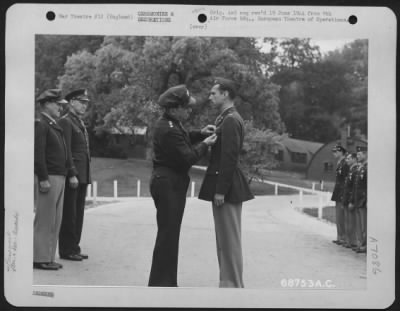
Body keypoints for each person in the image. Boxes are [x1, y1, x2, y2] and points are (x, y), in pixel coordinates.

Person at [148, 84, 217, 287]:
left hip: (170, 182)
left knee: (170, 234)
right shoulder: (168, 129)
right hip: (168, 184)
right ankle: (161, 284)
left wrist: (200, 134)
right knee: (168, 235)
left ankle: (165, 281)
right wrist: (206, 144)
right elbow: (188, 157)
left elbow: (184, 137)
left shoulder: (172, 124)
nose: (189, 110)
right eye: (185, 107)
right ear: (173, 108)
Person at [198, 78, 254, 288]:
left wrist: (220, 190)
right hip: (225, 187)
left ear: (226, 94)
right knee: (224, 239)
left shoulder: (230, 119)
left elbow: (229, 157)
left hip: (227, 189)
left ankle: (232, 284)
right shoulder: (226, 119)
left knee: (229, 240)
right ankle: (228, 281)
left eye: (214, 93)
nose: (210, 96)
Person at [34, 89, 69, 270]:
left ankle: (48, 256)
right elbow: (38, 154)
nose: (60, 108)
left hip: (59, 176)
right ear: (46, 104)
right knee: (46, 219)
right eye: (57, 104)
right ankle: (39, 258)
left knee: (55, 219)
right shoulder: (41, 124)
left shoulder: (52, 124)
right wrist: (43, 178)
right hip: (49, 177)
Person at [58, 89, 91, 261]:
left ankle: (74, 247)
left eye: (86, 103)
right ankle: (66, 249)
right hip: (74, 175)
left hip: (82, 174)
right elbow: (66, 150)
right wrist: (71, 173)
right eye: (81, 102)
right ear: (71, 102)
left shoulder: (77, 122)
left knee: (78, 213)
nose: (85, 105)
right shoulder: (66, 122)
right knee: (69, 213)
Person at [330, 144, 349, 246]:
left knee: (342, 216)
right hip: (338, 192)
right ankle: (339, 236)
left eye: (336, 152)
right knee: (338, 216)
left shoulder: (345, 163)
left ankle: (344, 237)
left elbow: (346, 180)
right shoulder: (339, 163)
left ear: (341, 152)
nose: (334, 153)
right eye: (334, 152)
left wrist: (344, 194)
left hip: (342, 192)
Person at [342, 153, 359, 249]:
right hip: (346, 199)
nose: (347, 160)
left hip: (350, 200)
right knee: (348, 221)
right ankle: (349, 241)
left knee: (352, 222)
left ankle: (353, 242)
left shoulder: (356, 170)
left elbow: (354, 188)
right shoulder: (351, 170)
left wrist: (351, 201)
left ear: (354, 159)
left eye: (348, 159)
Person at [354, 146, 367, 253]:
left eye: (359, 154)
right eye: (357, 154)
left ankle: (364, 245)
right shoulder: (361, 167)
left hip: (363, 199)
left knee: (364, 224)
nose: (357, 156)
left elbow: (367, 185)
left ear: (365, 154)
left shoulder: (367, 167)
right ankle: (360, 243)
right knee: (359, 223)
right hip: (358, 199)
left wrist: (367, 199)